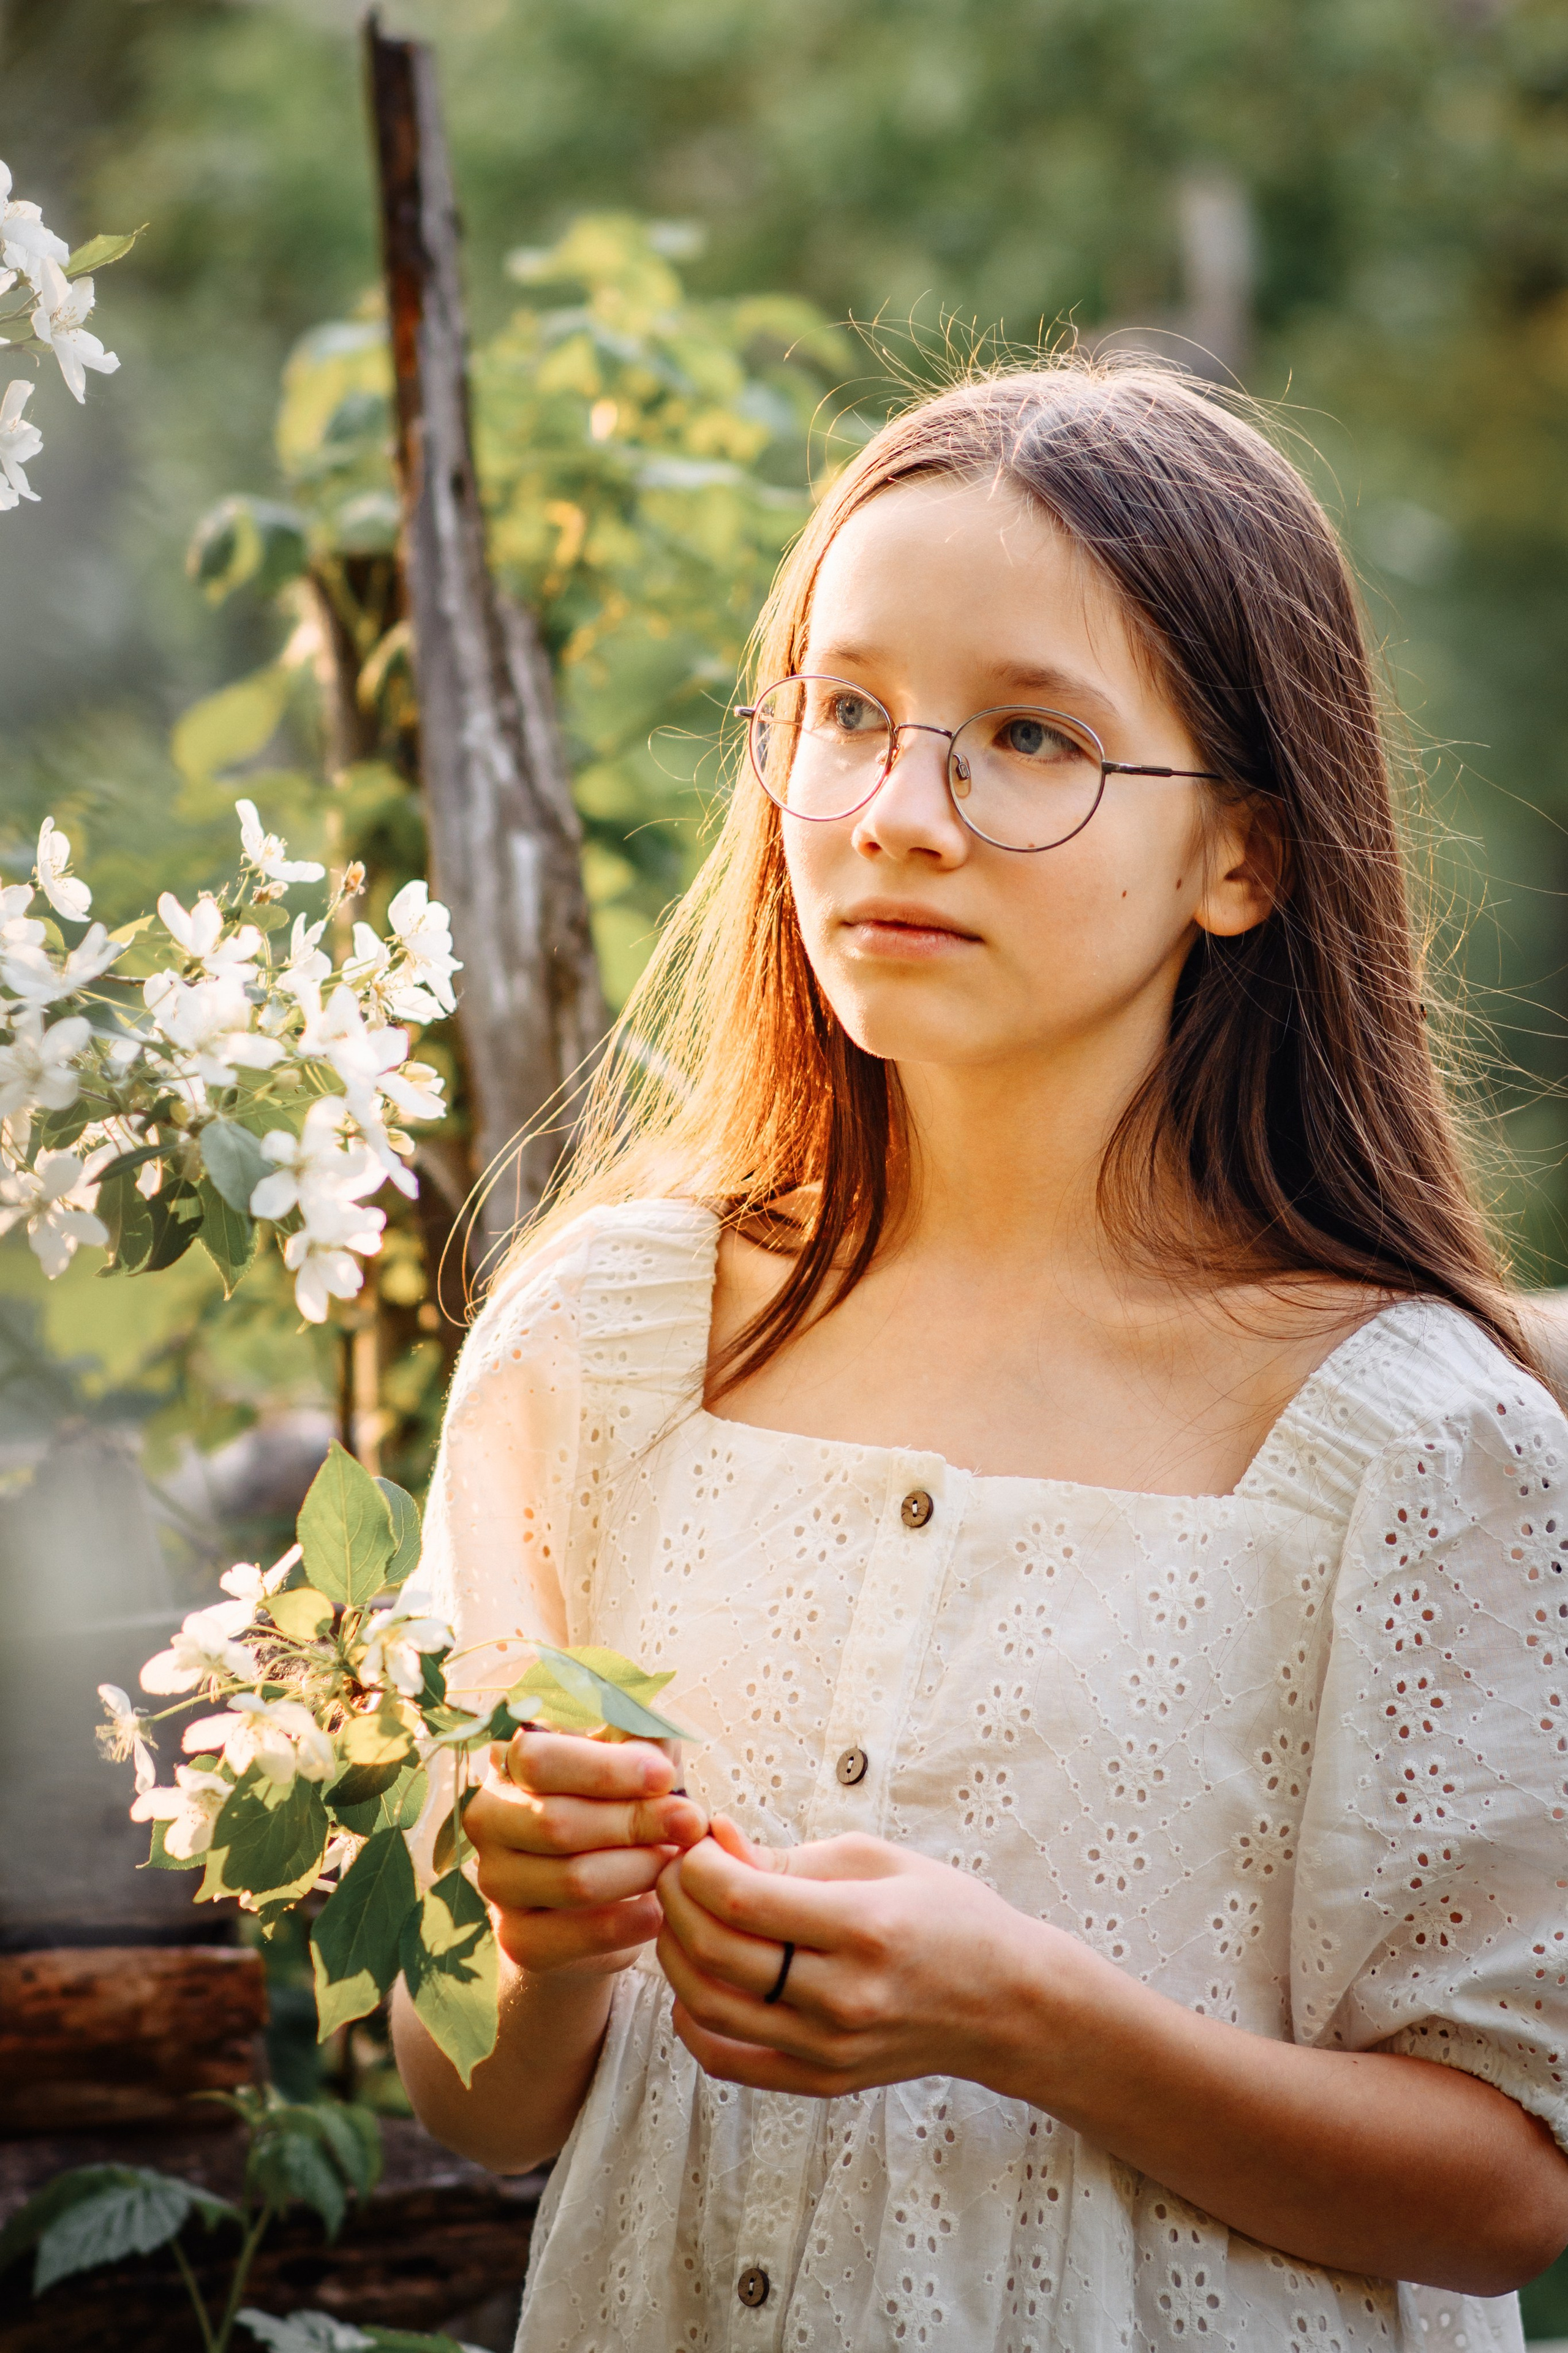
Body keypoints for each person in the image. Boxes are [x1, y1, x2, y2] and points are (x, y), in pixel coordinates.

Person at [393, 358, 1568, 2352]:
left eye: (1029, 737)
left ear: (1247, 857)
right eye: (844, 714)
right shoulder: (602, 1344)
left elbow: (1510, 2188)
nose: (894, 815)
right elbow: (473, 2099)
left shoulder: (1411, 1440)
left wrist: (1025, 2012)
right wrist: (535, 1941)